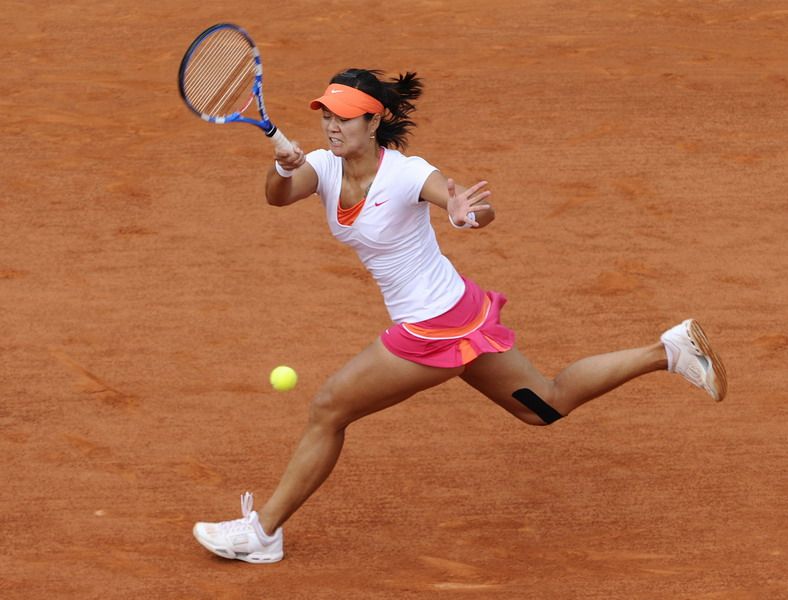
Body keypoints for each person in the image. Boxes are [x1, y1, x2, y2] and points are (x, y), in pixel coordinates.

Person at [192, 68, 728, 564]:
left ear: (374, 120)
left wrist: (464, 212)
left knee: (329, 408)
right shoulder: (323, 167)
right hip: (459, 313)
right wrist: (281, 168)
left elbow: (462, 200)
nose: (332, 126)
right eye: (326, 115)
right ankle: (669, 350)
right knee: (543, 406)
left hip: (433, 326)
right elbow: (278, 198)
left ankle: (262, 533)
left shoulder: (407, 174)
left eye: (344, 117)